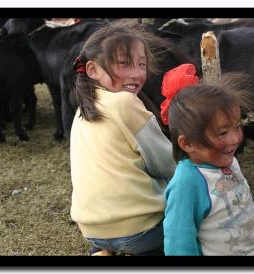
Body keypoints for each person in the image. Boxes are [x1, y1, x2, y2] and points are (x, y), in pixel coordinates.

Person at [70, 21, 176, 256]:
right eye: (124, 63)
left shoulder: (83, 110)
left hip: (91, 227)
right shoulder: (125, 102)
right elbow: (168, 163)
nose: (137, 74)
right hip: (140, 229)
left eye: (141, 64)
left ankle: (104, 250)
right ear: (92, 70)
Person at [162, 64, 254, 256]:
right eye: (222, 133)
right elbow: (178, 244)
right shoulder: (187, 183)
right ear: (187, 143)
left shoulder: (229, 161)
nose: (235, 139)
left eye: (238, 127)